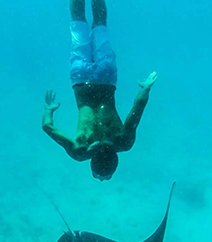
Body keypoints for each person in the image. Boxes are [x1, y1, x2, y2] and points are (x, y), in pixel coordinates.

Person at [42, 0, 158, 181]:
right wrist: (49, 109)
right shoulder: (79, 151)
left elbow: (138, 108)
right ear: (92, 162)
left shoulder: (123, 141)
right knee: (78, 21)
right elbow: (47, 127)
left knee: (100, 23)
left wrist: (146, 88)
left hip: (106, 77)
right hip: (81, 79)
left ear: (116, 160)